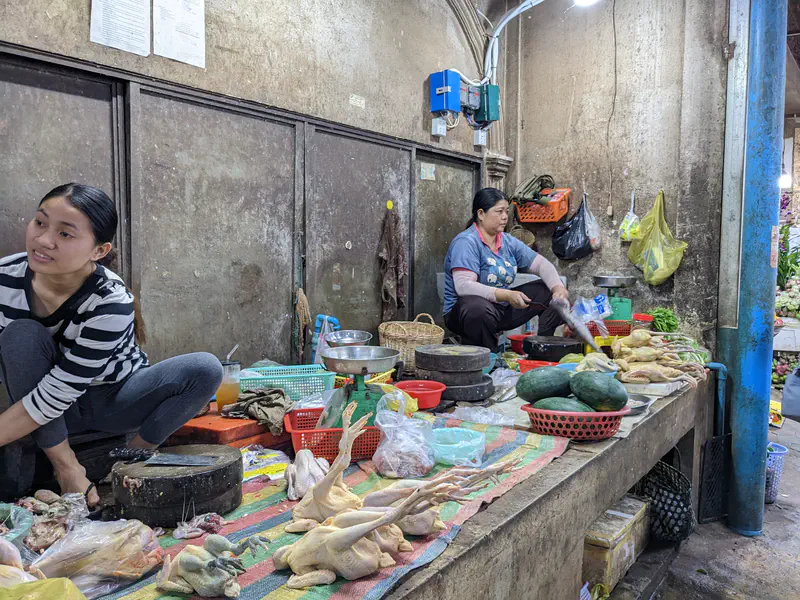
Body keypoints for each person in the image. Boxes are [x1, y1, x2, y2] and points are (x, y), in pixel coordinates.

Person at [0, 183, 223, 507]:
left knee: (204, 369)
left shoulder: (110, 300)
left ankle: (130, 459)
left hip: (112, 399)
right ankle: (67, 465)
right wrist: (69, 468)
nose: (44, 240)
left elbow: (59, 391)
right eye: (40, 222)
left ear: (98, 251)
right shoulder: (5, 279)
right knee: (21, 336)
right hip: (49, 408)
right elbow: (45, 394)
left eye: (65, 234)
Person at [443, 187, 569, 349]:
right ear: (481, 214)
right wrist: (507, 294)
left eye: (506, 211)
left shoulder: (507, 241)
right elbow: (464, 287)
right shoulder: (466, 242)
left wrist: (558, 288)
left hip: (499, 309)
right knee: (477, 308)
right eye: (499, 211)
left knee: (548, 290)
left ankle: (543, 347)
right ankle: (486, 358)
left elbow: (541, 264)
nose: (504, 217)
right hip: (463, 314)